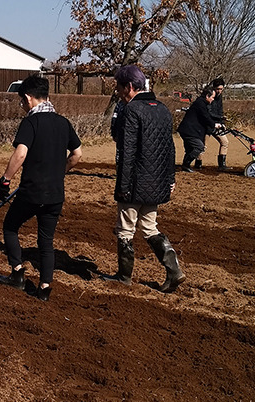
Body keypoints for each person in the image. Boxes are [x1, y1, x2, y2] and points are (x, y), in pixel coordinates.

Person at [0, 74, 83, 302]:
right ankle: (44, 288)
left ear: (28, 98)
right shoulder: (63, 123)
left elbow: (21, 153)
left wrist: (5, 180)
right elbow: (77, 154)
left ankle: (17, 273)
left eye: (21, 102)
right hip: (55, 194)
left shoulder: (31, 122)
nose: (22, 106)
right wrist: (60, 171)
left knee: (10, 226)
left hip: (31, 192)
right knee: (46, 241)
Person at [108, 64, 185, 293]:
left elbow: (127, 151)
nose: (119, 93)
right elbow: (170, 148)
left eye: (120, 88)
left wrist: (122, 186)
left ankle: (124, 277)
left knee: (125, 230)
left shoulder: (131, 111)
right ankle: (174, 271)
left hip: (134, 182)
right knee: (150, 227)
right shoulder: (162, 109)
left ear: (130, 87)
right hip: (157, 183)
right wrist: (170, 179)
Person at [177, 86, 221, 173]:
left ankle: (185, 166)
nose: (213, 99)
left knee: (190, 149)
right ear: (207, 96)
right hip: (189, 131)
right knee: (199, 147)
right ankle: (186, 164)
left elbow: (207, 116)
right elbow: (205, 117)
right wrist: (214, 124)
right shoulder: (200, 104)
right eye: (212, 97)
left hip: (188, 130)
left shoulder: (201, 103)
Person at [207, 77, 229, 171]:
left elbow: (220, 111)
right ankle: (198, 164)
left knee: (225, 142)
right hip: (207, 124)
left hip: (217, 124)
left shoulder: (220, 98)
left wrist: (222, 123)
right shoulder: (208, 96)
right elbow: (208, 112)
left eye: (221, 89)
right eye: (218, 89)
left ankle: (222, 165)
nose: (219, 91)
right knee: (203, 146)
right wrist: (218, 119)